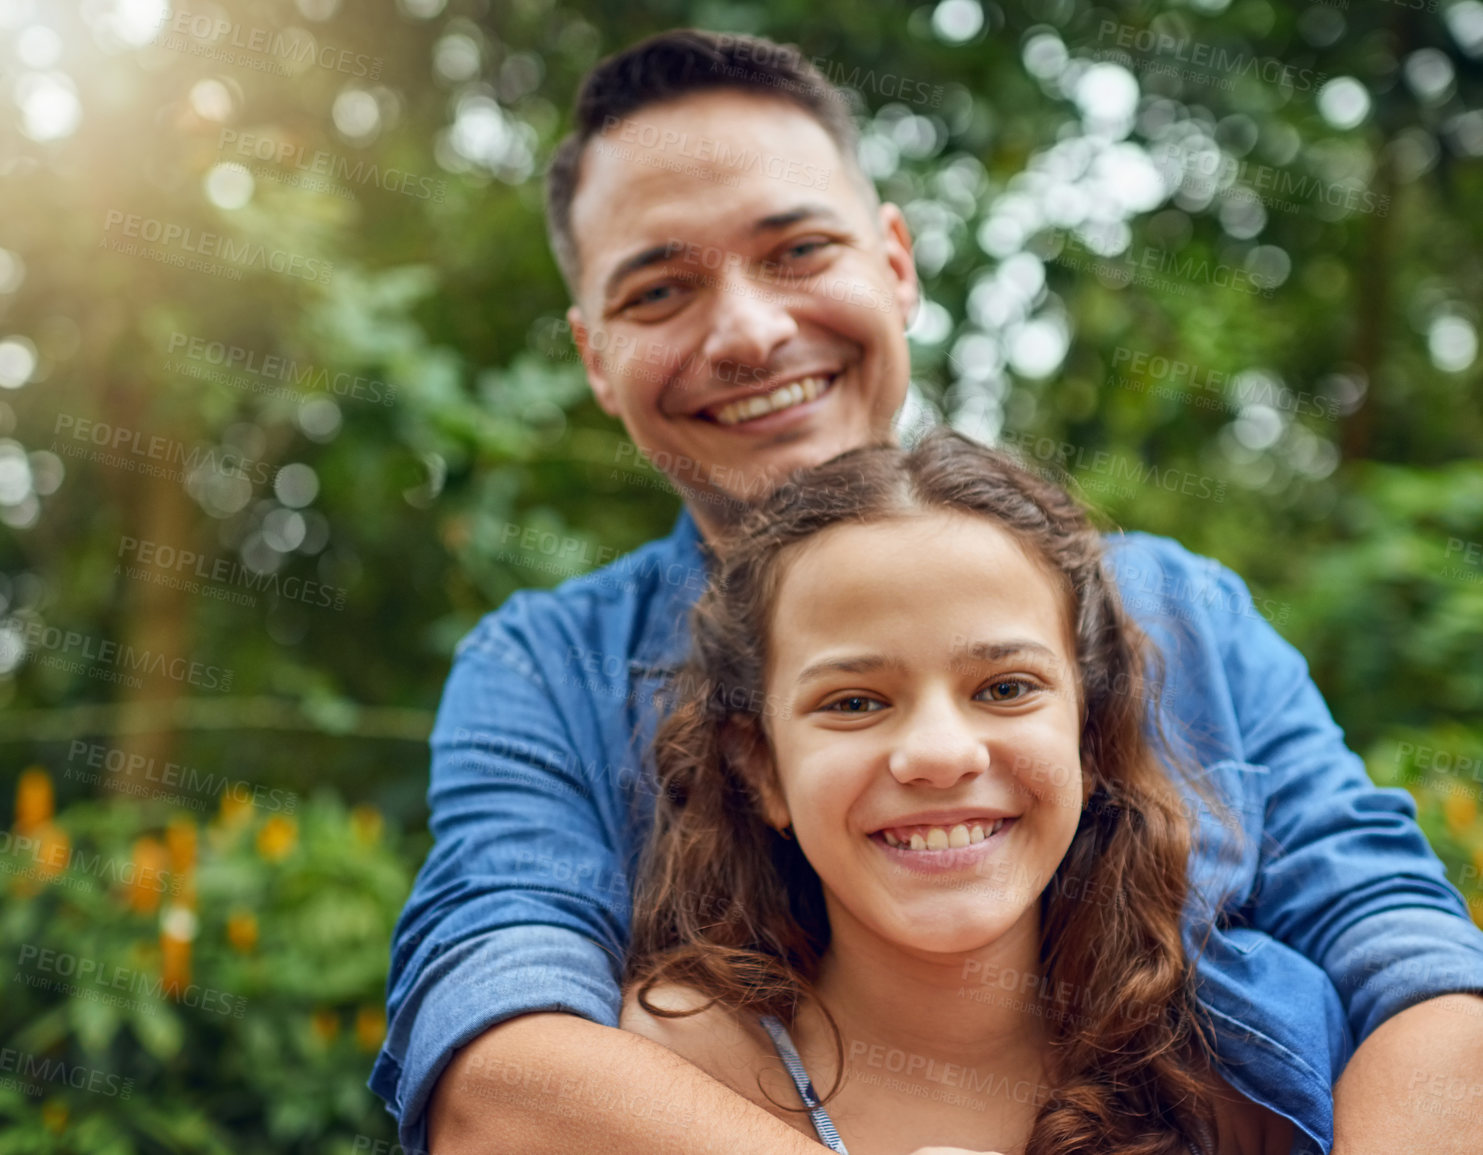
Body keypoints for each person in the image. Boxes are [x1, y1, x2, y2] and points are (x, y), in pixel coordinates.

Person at [371, 28, 1483, 1155]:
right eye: (660, 288)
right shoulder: (544, 670)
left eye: (798, 251)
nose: (751, 331)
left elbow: (1414, 964)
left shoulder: (1186, 612)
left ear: (895, 266)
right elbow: (496, 1061)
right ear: (596, 357)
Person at [622, 429, 1300, 1154]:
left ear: (1091, 733)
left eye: (1004, 687)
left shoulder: (1236, 1076)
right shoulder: (666, 1073)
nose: (940, 756)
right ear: (759, 767)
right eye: (853, 702)